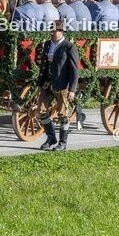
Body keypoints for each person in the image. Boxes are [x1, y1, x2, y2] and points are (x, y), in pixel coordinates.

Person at [36, 20, 80, 152]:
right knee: (41, 111)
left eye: (58, 31)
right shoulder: (48, 44)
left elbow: (74, 70)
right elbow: (44, 65)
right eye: (53, 31)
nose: (55, 33)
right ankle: (51, 138)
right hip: (47, 83)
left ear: (62, 32)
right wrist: (40, 83)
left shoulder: (69, 46)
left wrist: (72, 89)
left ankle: (62, 142)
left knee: (62, 114)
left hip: (62, 85)